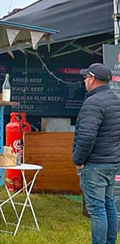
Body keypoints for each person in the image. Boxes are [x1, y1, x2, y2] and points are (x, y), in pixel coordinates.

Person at [73, 63, 120, 244]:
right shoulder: (115, 100)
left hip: (95, 165)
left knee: (97, 209)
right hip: (111, 162)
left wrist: (78, 160)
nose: (84, 81)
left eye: (86, 78)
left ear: (92, 79)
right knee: (109, 206)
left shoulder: (93, 102)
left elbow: (86, 136)